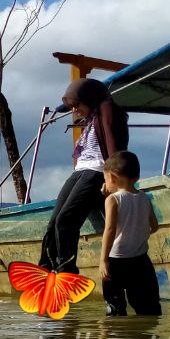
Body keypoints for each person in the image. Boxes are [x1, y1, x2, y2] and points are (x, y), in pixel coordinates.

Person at [39, 77, 129, 274]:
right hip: (80, 171)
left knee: (66, 220)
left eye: (77, 105)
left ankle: (66, 270)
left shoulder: (108, 110)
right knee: (53, 222)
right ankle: (45, 269)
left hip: (97, 171)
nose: (74, 110)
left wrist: (111, 178)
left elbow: (116, 147)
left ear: (90, 99)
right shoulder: (91, 119)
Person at [99, 151, 161, 317]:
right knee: (148, 307)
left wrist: (104, 260)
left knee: (115, 308)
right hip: (141, 261)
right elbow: (154, 226)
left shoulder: (112, 200)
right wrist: (138, 234)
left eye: (105, 179)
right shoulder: (144, 198)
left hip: (116, 260)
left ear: (112, 177)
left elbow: (110, 230)